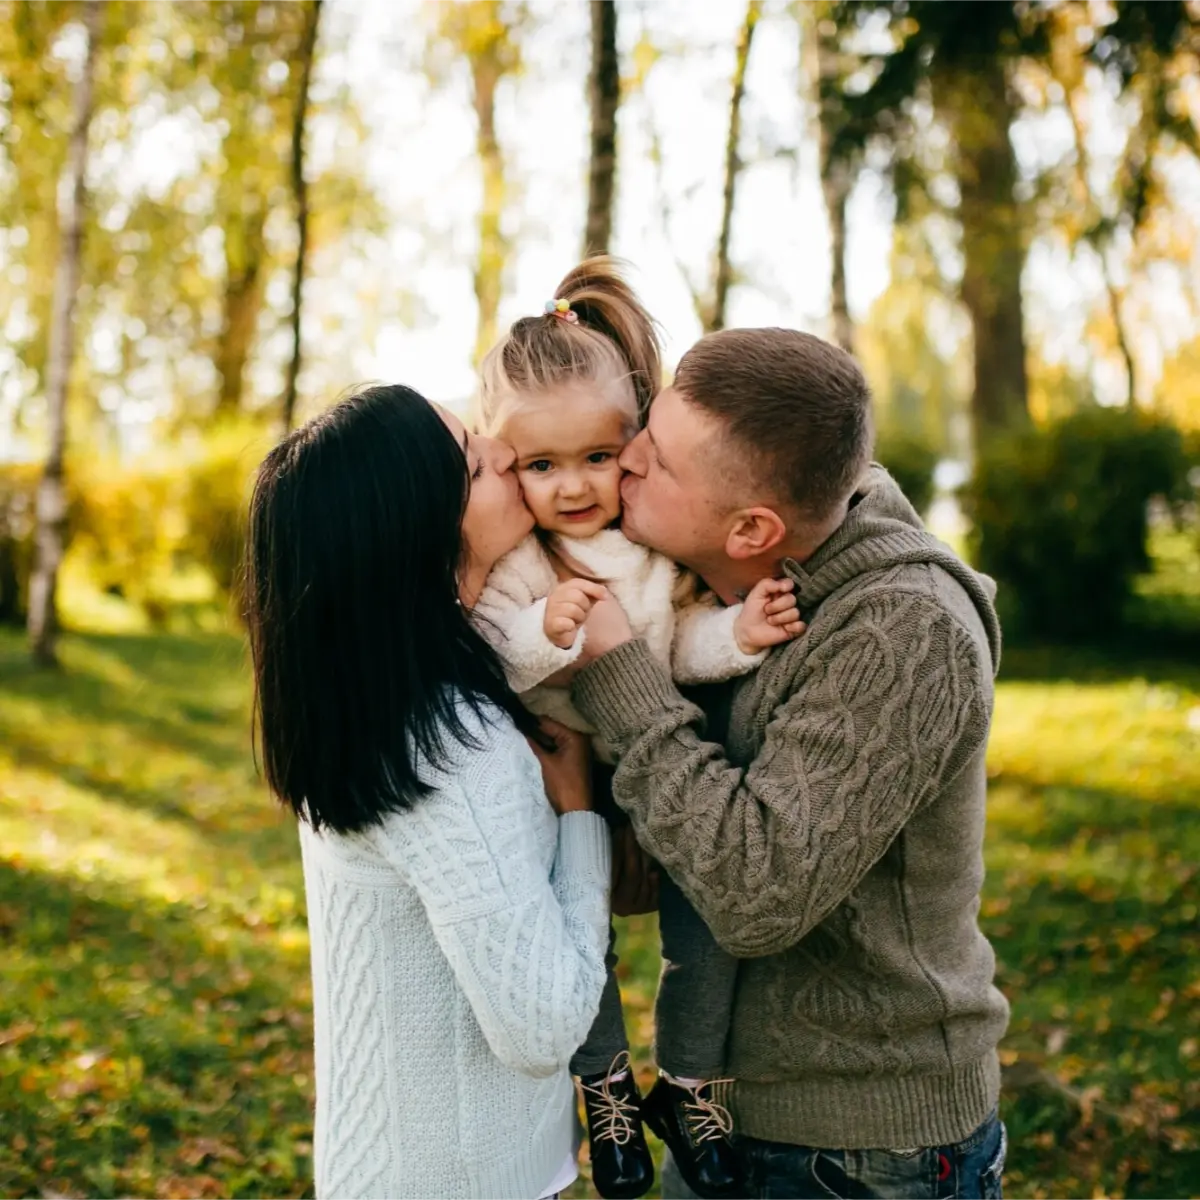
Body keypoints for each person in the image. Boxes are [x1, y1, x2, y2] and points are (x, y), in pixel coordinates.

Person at [566, 328, 1012, 1200]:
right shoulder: (722, 580)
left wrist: (619, 677)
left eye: (654, 462)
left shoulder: (907, 634)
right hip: (733, 1118)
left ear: (751, 530)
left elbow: (755, 890)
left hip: (863, 1152)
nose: (625, 463)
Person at [471, 258, 805, 1200]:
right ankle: (607, 1089)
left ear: (634, 443)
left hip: (666, 771)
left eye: (596, 458)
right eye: (541, 466)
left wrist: (735, 635)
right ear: (507, 464)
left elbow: (675, 649)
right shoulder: (523, 561)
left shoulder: (654, 546)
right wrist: (550, 631)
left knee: (709, 935)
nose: (574, 487)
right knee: (578, 943)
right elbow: (496, 649)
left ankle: (692, 1085)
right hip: (567, 786)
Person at [242, 384, 612, 1200]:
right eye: (481, 465)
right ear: (422, 536)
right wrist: (581, 813)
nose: (508, 458)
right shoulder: (451, 747)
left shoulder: (359, 699)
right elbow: (543, 1025)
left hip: (380, 1166)